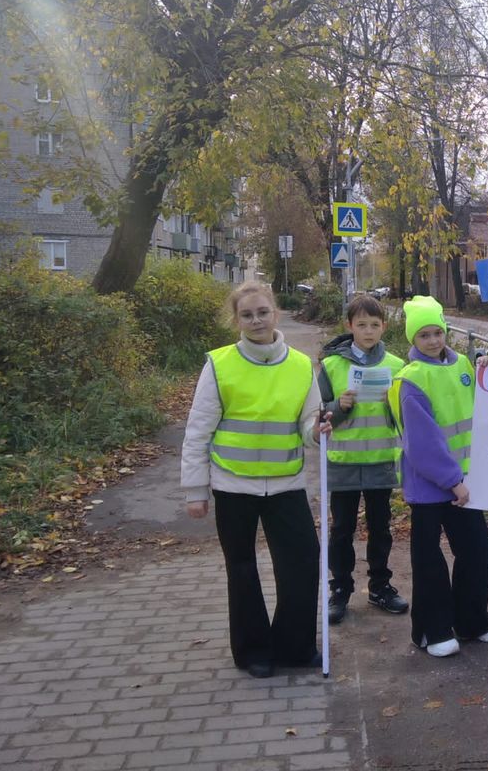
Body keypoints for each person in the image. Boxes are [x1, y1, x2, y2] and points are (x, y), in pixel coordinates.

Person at [180, 282, 328, 678]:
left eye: (262, 312)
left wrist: (318, 431)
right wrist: (196, 490)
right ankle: (253, 651)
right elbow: (198, 431)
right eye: (247, 315)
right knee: (242, 569)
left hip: (285, 483)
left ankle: (294, 646)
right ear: (236, 320)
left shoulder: (300, 365)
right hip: (233, 484)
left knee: (302, 562)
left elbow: (307, 425)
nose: (256, 320)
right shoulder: (219, 364)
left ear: (275, 313)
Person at [388, 295, 488, 658]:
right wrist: (453, 480)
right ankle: (432, 629)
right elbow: (423, 443)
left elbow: (486, 405)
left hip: (465, 484)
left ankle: (472, 619)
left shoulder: (463, 367)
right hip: (432, 486)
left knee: (474, 551)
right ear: (413, 339)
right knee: (429, 561)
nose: (433, 340)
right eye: (424, 335)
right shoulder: (410, 380)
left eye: (438, 332)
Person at [316, 294, 408, 624]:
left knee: (381, 528)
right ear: (349, 326)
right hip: (342, 462)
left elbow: (406, 419)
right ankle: (339, 590)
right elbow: (318, 420)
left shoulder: (397, 366)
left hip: (381, 460)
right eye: (361, 325)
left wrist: (393, 402)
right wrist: (337, 408)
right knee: (342, 529)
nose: (368, 331)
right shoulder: (330, 366)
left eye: (374, 325)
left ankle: (381, 587)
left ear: (384, 327)